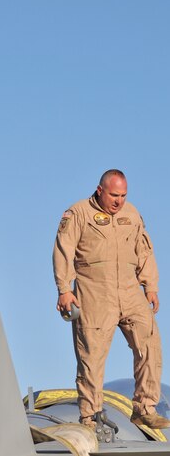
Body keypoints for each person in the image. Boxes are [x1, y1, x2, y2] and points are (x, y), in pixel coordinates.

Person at [53, 169, 170, 429]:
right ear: (100, 190)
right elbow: (63, 249)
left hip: (129, 290)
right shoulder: (79, 213)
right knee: (92, 356)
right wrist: (64, 289)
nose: (119, 201)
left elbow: (145, 250)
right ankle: (90, 416)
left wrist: (151, 286)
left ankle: (144, 408)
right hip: (94, 291)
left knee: (150, 342)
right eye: (114, 195)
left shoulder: (132, 214)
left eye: (123, 195)